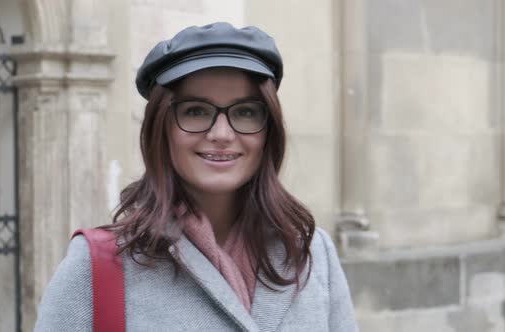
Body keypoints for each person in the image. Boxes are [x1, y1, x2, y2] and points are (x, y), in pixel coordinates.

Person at [35, 22, 358, 332]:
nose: (221, 133)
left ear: (268, 131)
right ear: (162, 128)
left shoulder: (312, 254)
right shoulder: (97, 266)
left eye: (245, 112)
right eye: (196, 111)